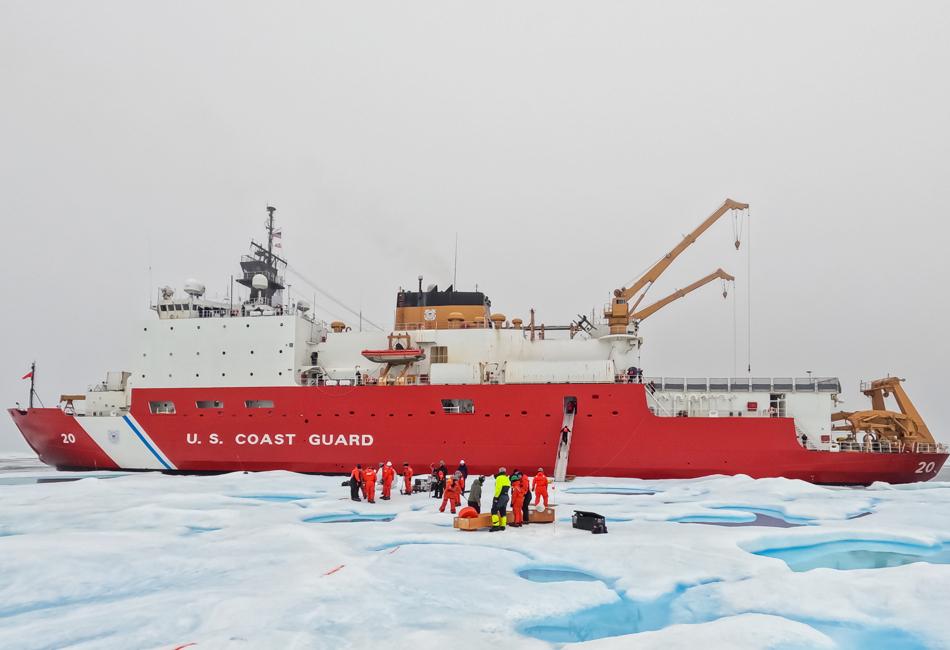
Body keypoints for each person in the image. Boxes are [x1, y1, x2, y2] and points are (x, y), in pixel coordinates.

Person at [490, 467, 511, 532]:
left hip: (500, 496)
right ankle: (503, 525)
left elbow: (498, 488)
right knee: (503, 510)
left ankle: (496, 526)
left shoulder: (499, 478)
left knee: (494, 510)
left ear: (499, 471)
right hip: (506, 496)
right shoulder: (507, 478)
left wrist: (496, 497)